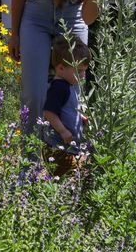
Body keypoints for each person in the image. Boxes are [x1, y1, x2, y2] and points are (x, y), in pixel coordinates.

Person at [7, 0, 121, 138]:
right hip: (36, 15)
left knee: (73, 88)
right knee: (34, 92)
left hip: (73, 15)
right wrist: (15, 33)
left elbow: (88, 19)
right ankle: (29, 161)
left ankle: (71, 155)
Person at [41, 34, 91, 177]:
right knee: (66, 178)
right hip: (58, 146)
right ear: (61, 68)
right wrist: (62, 130)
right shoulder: (59, 88)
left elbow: (64, 109)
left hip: (66, 146)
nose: (82, 75)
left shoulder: (68, 85)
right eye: (79, 70)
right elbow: (49, 112)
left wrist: (79, 117)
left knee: (69, 177)